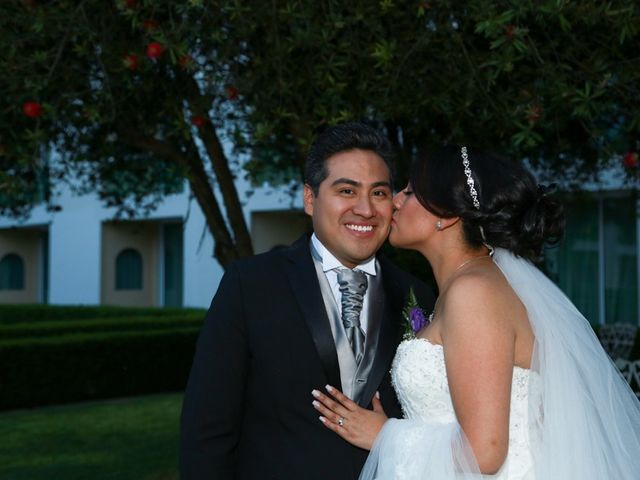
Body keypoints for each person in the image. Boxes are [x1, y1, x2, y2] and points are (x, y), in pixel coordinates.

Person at [312, 145, 640, 479]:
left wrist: (385, 436)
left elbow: (484, 453)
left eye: (410, 192)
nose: (395, 200)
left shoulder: (474, 293)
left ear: (447, 215)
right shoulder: (463, 288)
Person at [179, 122, 434, 480]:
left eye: (379, 193)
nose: (365, 209)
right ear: (310, 199)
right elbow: (206, 431)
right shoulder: (250, 285)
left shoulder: (419, 296)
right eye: (347, 190)